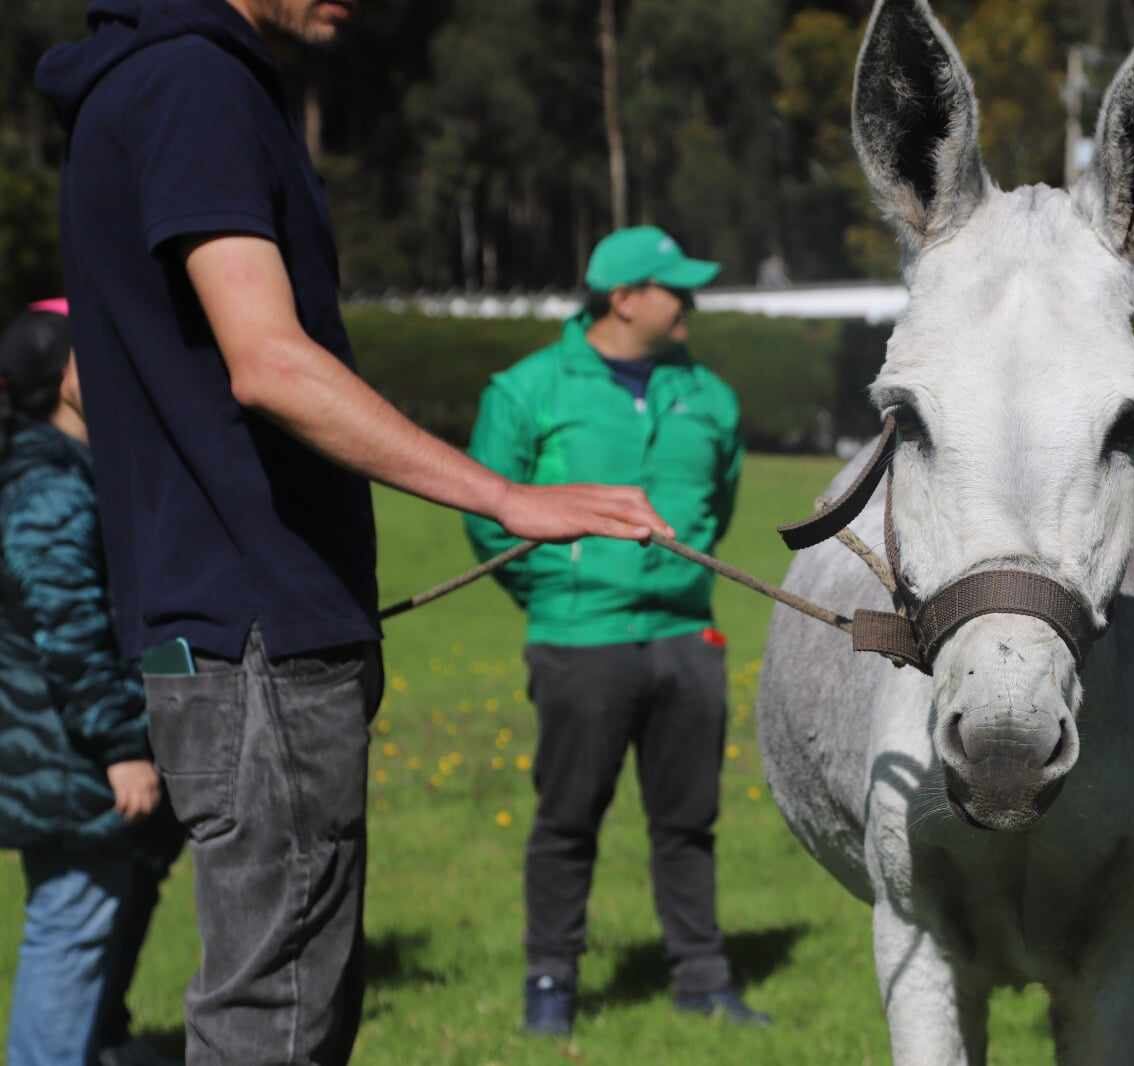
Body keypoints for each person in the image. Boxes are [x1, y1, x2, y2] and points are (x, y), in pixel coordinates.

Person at [36, 3, 669, 1062]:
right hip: (256, 644)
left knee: (285, 1010)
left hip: (223, 634)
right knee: (275, 1023)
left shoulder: (142, 81)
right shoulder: (196, 81)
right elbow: (268, 360)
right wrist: (506, 497)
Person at [465, 226, 763, 1037]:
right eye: (676, 288)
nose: (691, 302)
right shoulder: (527, 390)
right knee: (567, 822)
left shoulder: (712, 396)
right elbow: (490, 521)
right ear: (623, 298)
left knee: (688, 824)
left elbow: (720, 508)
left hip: (686, 640)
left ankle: (703, 982)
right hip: (579, 641)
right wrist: (562, 596)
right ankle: (552, 986)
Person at [0, 302, 186, 1066]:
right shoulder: (48, 487)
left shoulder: (70, 472)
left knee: (84, 920)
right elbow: (70, 632)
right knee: (70, 928)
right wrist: (121, 747)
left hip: (65, 752)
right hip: (69, 760)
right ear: (66, 378)